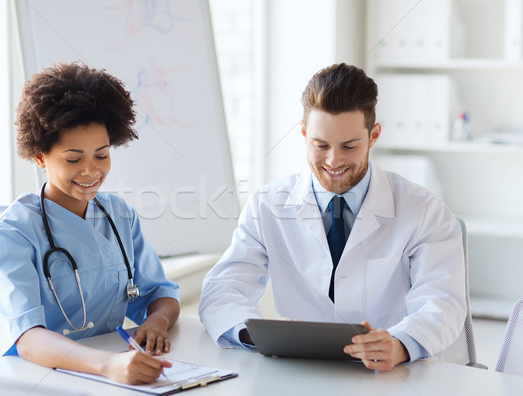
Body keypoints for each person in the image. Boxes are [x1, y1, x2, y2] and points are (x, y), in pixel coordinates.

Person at [198, 63, 466, 371]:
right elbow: (222, 289)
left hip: (393, 376)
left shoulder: (424, 210)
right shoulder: (266, 206)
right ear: (303, 133)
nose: (333, 160)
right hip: (300, 372)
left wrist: (402, 343)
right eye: (320, 145)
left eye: (349, 146)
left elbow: (444, 301)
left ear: (373, 136)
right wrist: (256, 335)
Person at [0, 62, 180, 385]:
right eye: (74, 159)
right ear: (40, 157)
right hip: (7, 377)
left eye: (101, 156)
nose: (91, 171)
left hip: (86, 374)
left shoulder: (119, 217)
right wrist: (108, 366)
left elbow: (162, 293)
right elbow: (28, 338)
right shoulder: (14, 233)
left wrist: (157, 321)